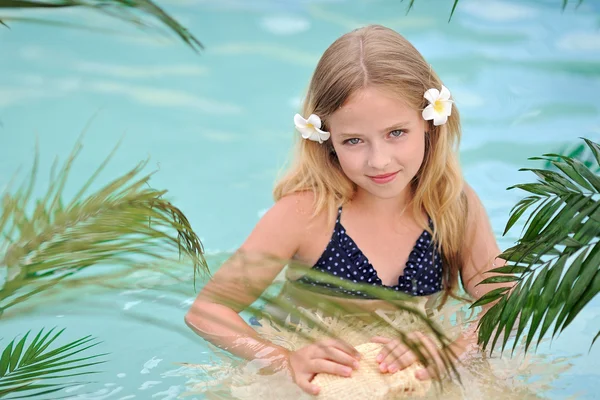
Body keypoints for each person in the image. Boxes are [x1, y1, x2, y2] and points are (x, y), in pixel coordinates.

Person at [185, 24, 512, 396]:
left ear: (429, 124)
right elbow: (208, 311)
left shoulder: (452, 204)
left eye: (396, 132)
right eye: (353, 140)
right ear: (327, 142)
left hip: (411, 357)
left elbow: (506, 302)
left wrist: (452, 354)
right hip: (309, 350)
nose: (379, 160)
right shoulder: (305, 214)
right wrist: (282, 360)